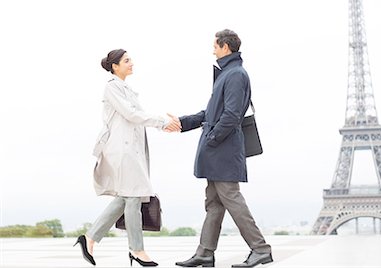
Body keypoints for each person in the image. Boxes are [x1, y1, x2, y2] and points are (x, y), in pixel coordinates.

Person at [172, 30, 273, 268]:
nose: (213, 50)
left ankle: (260, 249)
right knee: (214, 202)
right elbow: (211, 113)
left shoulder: (235, 75)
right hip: (219, 149)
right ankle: (205, 252)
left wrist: (212, 139)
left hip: (223, 149)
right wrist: (182, 122)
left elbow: (231, 115)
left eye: (215, 46)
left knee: (231, 198)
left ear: (225, 47)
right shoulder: (227, 74)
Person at [74, 49, 181, 267]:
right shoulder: (112, 87)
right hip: (121, 150)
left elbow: (136, 117)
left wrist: (162, 124)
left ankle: (91, 237)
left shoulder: (127, 89)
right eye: (126, 60)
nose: (132, 63)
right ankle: (137, 250)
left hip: (131, 150)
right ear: (115, 66)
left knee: (129, 196)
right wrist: (162, 122)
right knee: (133, 195)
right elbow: (132, 115)